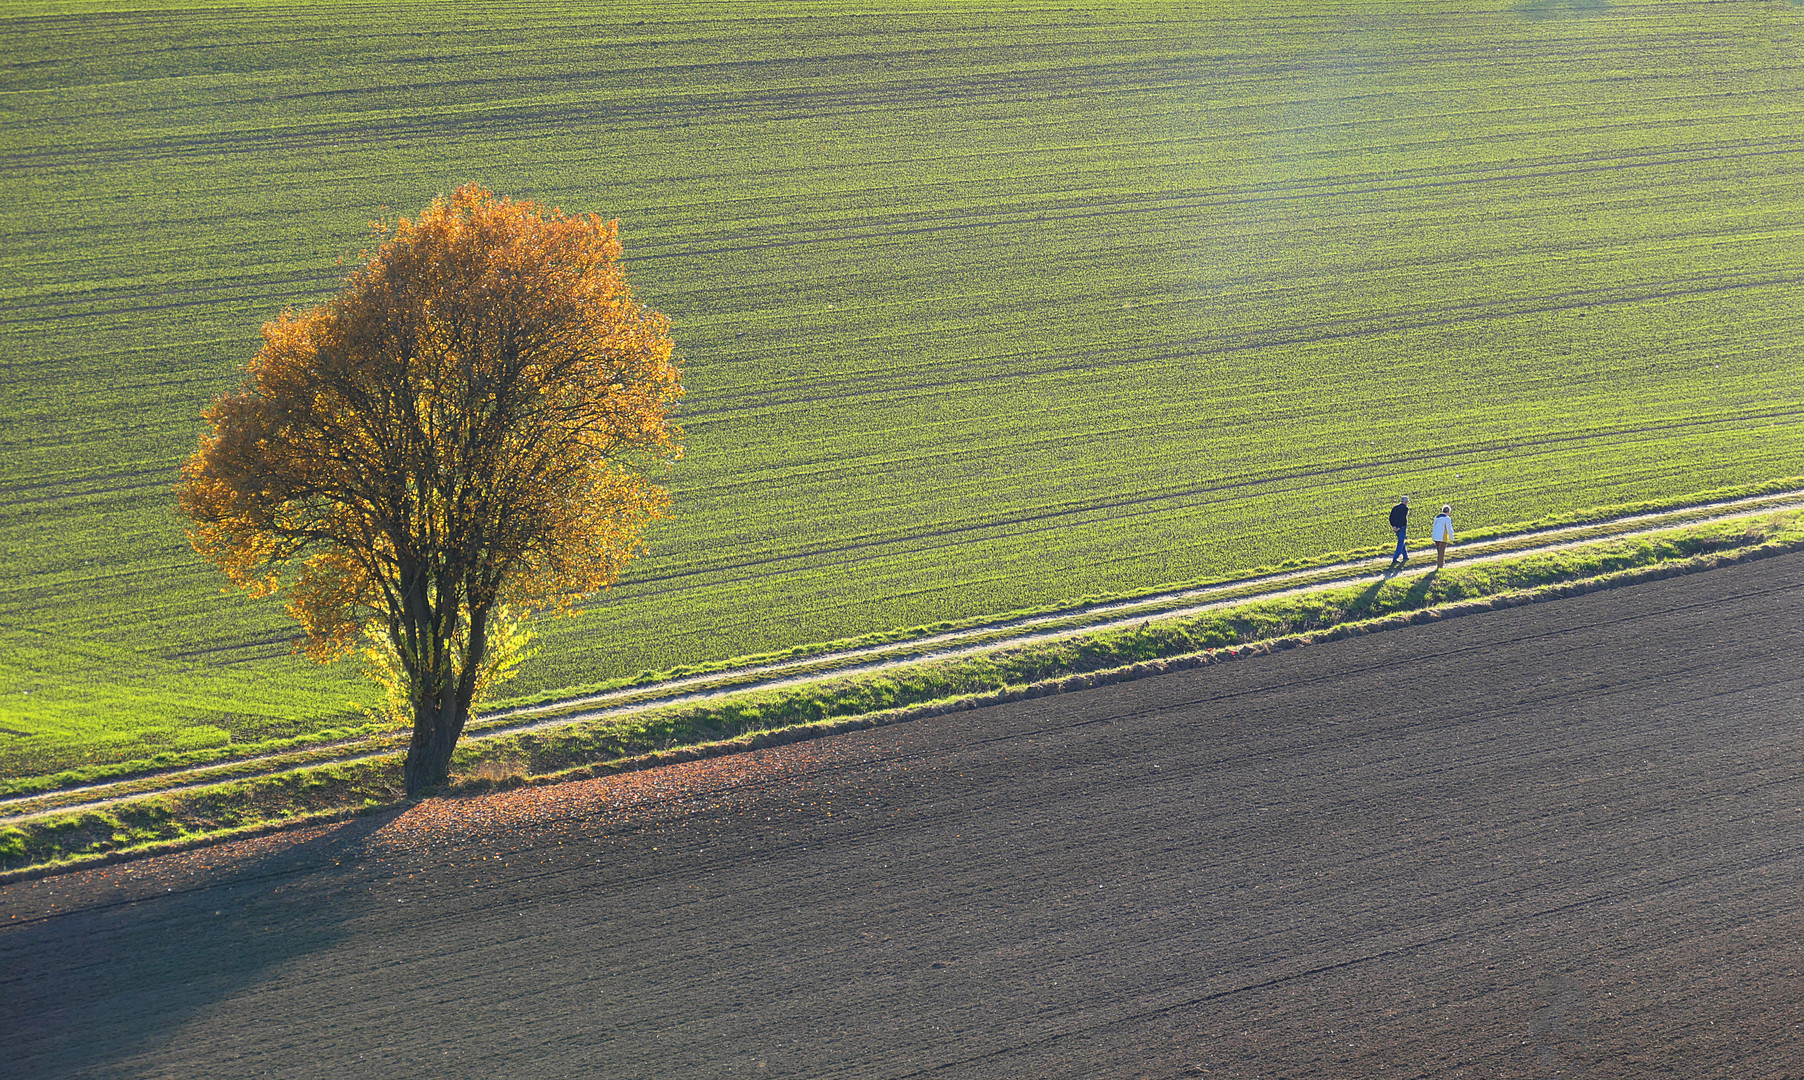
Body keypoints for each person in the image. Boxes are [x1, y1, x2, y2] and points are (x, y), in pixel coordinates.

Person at [1388, 496, 1410, 570]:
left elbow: (1391, 518)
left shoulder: (1395, 508)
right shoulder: (1405, 509)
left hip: (1395, 527)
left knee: (1401, 541)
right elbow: (1402, 518)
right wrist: (1399, 527)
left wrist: (1394, 526)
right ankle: (1395, 557)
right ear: (1406, 502)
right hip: (1401, 527)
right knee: (1401, 542)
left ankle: (1405, 556)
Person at [1432, 504, 1455, 569]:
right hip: (1442, 537)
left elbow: (1434, 527)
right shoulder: (1447, 519)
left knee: (1439, 552)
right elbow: (1449, 529)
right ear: (1448, 512)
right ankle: (1440, 566)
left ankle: (1441, 564)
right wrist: (1452, 538)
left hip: (1436, 537)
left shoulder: (1437, 518)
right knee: (1442, 552)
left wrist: (1433, 537)